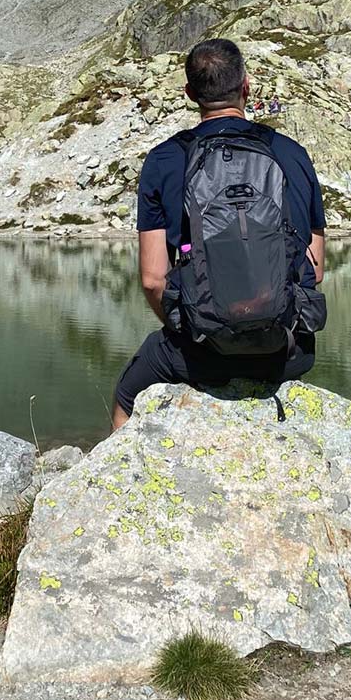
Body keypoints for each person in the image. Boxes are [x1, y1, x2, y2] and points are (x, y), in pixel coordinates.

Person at [113, 38, 326, 430]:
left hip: (200, 352)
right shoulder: (290, 153)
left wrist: (193, 329)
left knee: (128, 396)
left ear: (190, 94)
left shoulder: (164, 159)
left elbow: (152, 279)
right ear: (246, 87)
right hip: (287, 350)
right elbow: (315, 266)